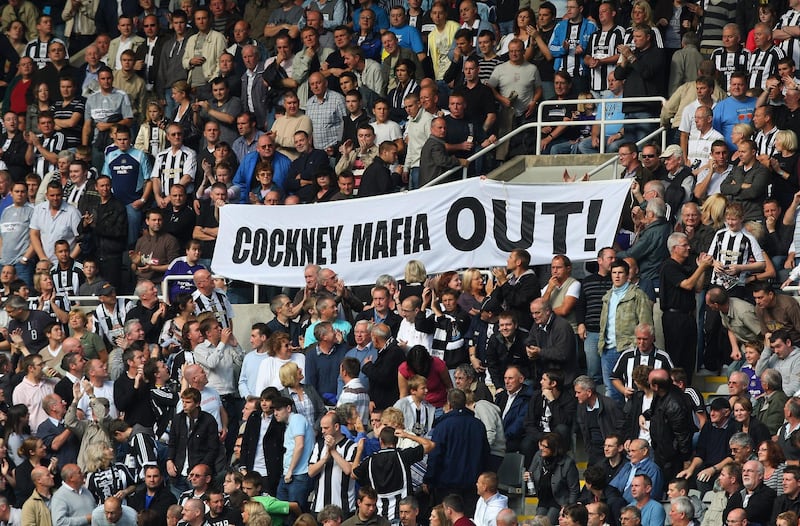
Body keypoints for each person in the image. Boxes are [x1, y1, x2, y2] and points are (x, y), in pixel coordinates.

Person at [425, 389, 489, 517]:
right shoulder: (478, 425)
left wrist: (429, 480)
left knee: (447, 520)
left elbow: (435, 455)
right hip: (472, 484)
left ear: (449, 404)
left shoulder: (443, 426)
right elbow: (485, 454)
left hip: (447, 485)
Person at [527, 432, 580, 524]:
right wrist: (528, 476)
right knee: (537, 523)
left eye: (545, 447)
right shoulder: (538, 456)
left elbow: (574, 489)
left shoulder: (568, 463)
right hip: (543, 498)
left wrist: (569, 509)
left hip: (560, 501)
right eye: (541, 445)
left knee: (549, 522)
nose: (541, 449)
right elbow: (531, 473)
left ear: (554, 448)